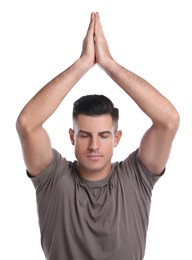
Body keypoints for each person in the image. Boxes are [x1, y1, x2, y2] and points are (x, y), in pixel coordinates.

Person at [16, 12, 179, 260]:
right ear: (72, 136)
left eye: (104, 135)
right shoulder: (53, 179)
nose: (94, 145)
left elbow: (169, 120)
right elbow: (27, 124)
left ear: (117, 138)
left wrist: (109, 64)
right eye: (84, 135)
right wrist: (83, 64)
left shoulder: (136, 178)